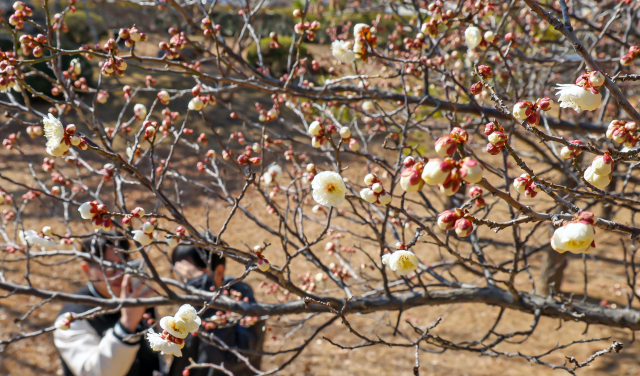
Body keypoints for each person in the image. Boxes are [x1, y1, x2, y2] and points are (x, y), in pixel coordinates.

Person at [54, 234, 162, 376]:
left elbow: (156, 353)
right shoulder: (72, 318)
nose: (120, 273)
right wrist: (127, 325)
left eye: (124, 263)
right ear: (86, 269)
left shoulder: (138, 297)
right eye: (109, 267)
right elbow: (95, 373)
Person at [169, 245, 265, 376]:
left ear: (219, 272)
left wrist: (203, 288)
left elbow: (235, 358)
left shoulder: (241, 298)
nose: (184, 282)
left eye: (190, 274)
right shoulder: (191, 304)